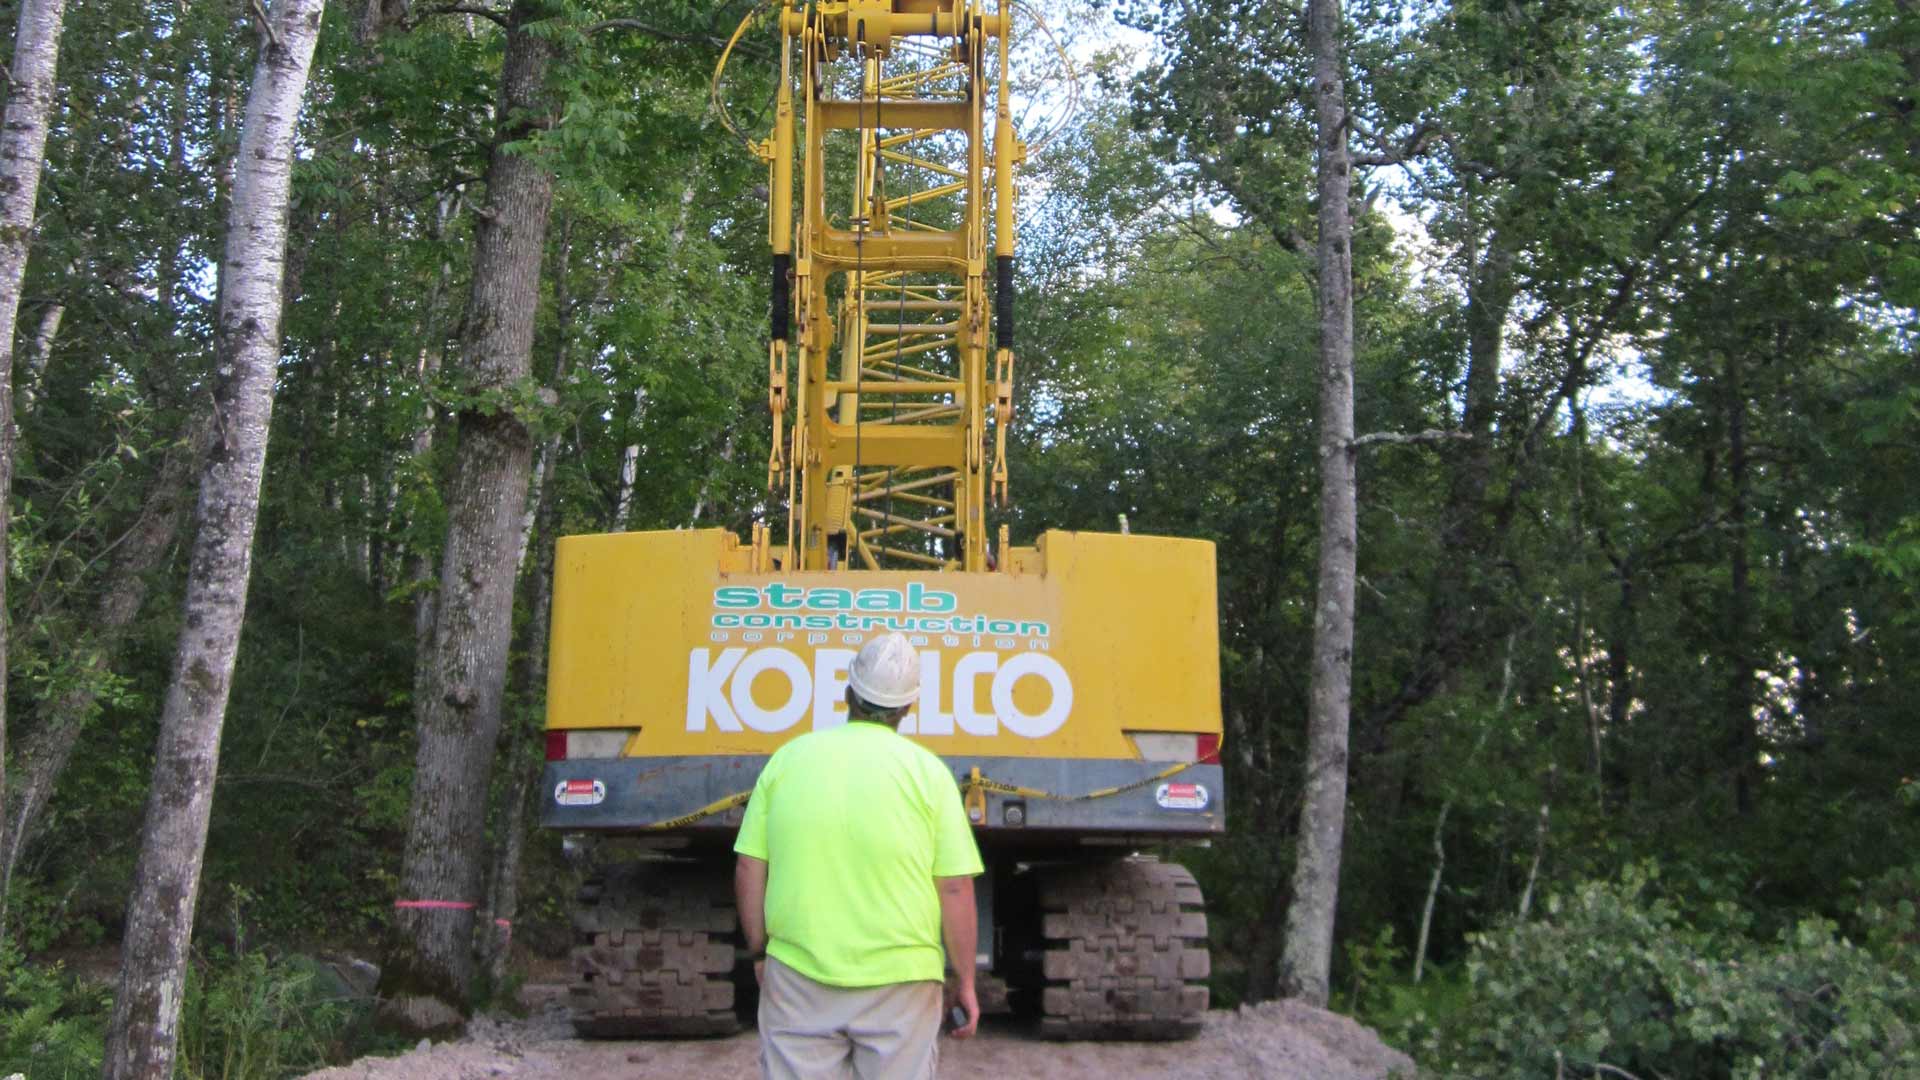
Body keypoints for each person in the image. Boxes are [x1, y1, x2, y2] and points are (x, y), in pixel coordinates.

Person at [734, 632, 984, 1080]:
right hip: (903, 982)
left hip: (798, 975)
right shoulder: (929, 775)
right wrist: (965, 980)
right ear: (908, 708)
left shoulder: (788, 761)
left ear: (847, 692)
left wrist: (759, 953)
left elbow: (751, 865)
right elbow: (954, 886)